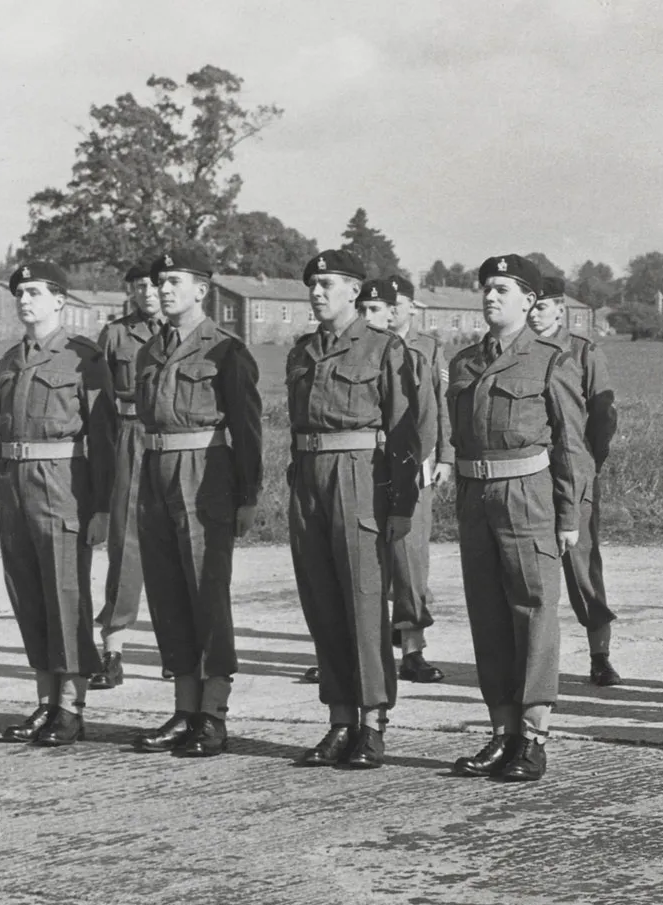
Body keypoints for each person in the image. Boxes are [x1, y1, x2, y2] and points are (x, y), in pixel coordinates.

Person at [447, 255, 590, 782]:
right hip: (475, 497)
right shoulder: (462, 363)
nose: (491, 297)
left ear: (529, 301)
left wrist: (568, 513)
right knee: (487, 614)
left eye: (503, 289)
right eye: (486, 288)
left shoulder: (551, 359)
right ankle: (500, 731)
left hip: (527, 495)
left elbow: (572, 445)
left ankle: (532, 735)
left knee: (533, 611)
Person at [129, 248, 263, 759]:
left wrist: (247, 494)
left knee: (207, 593)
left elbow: (247, 430)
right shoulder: (150, 350)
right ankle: (183, 709)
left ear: (201, 289)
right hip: (156, 474)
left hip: (205, 477)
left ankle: (213, 713)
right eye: (160, 281)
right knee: (167, 594)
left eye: (175, 282)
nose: (163, 290)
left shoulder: (225, 350)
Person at [288, 259, 420, 769]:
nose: (316, 293)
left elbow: (405, 432)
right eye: (312, 286)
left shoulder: (385, 348)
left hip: (360, 477)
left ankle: (372, 722)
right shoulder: (303, 351)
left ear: (352, 290)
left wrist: (401, 504)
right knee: (322, 604)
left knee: (364, 604)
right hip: (309, 479)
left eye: (326, 285)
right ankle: (339, 719)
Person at [0, 261, 112, 748]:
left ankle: (71, 705)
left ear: (60, 301)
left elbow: (105, 438)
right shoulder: (8, 361)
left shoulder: (82, 358)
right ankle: (45, 700)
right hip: (14, 484)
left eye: (36, 292)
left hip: (62, 485)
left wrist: (102, 506)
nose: (25, 300)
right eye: (20, 292)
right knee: (27, 593)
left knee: (65, 594)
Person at [528, 275, 622, 686]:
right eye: (530, 306)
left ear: (560, 310)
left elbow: (604, 418)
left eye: (543, 307)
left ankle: (600, 655)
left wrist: (587, 463)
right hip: (527, 474)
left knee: (583, 570)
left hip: (573, 473)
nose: (535, 315)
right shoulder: (518, 352)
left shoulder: (583, 353)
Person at [89, 262, 163, 690]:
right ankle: (112, 651)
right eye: (139, 286)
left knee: (178, 546)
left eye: (154, 284)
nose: (148, 292)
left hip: (176, 440)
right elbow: (101, 405)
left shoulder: (184, 334)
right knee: (125, 544)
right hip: (130, 436)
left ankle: (179, 651)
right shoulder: (116, 335)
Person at [381, 274, 451, 684]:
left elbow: (441, 406)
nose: (388, 312)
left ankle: (412, 649)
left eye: (396, 304)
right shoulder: (367, 347)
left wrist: (445, 455)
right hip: (371, 468)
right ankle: (359, 647)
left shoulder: (429, 348)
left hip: (416, 467)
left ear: (410, 307)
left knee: (410, 560)